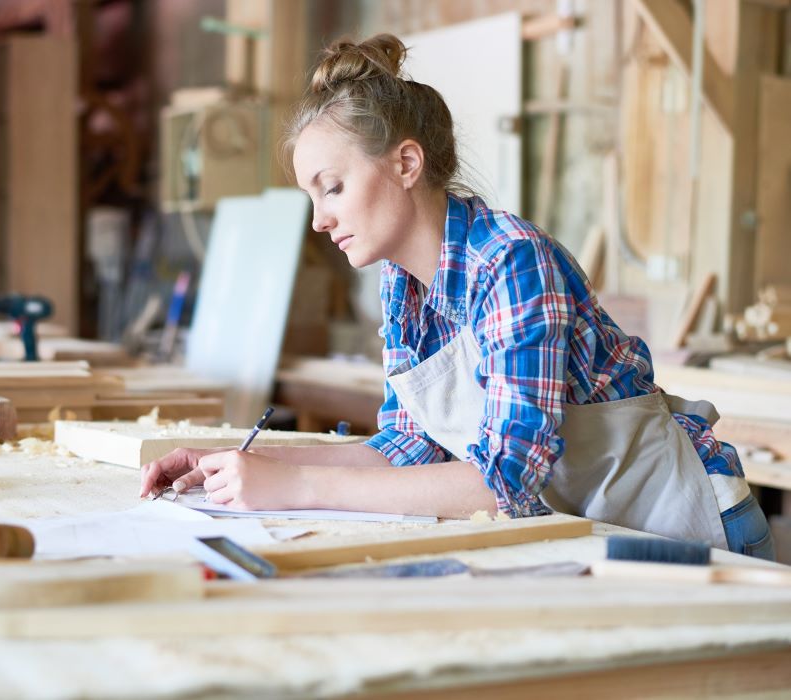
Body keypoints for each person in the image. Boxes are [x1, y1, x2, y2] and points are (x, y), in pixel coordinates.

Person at [140, 34, 774, 559]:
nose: (318, 220)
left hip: (688, 530)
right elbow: (404, 449)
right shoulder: (403, 286)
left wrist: (290, 485)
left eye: (331, 188)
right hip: (598, 534)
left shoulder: (511, 262)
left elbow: (506, 483)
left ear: (407, 164)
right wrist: (238, 465)